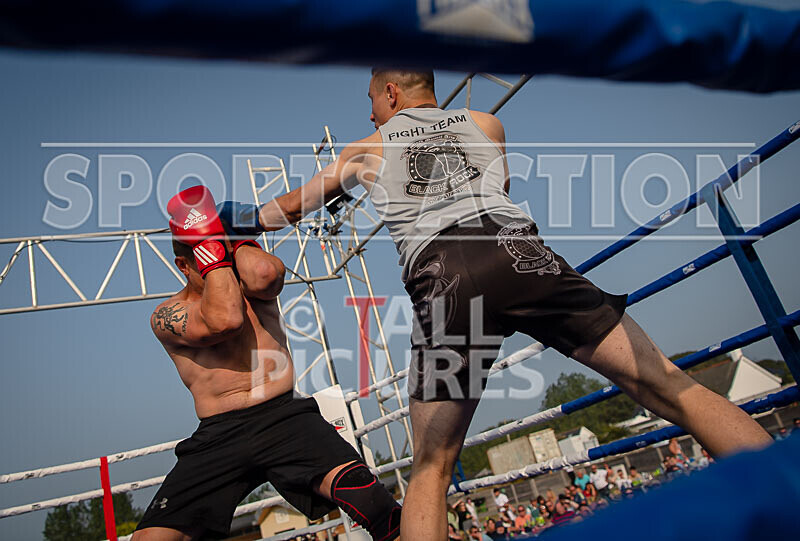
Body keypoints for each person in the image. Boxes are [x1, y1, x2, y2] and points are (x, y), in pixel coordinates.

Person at [217, 68, 773, 540]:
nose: (369, 114)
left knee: (431, 468)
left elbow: (289, 209)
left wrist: (227, 221)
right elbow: (497, 189)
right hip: (520, 253)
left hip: (444, 276)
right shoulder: (487, 124)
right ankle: (782, 495)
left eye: (371, 101)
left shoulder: (366, 149)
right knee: (671, 385)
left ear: (391, 93)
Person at [132, 186, 401, 540]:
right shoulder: (168, 314)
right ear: (183, 265)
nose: (221, 267)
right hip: (219, 434)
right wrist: (209, 244)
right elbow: (226, 319)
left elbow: (265, 274)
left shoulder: (252, 287)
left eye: (223, 251)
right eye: (206, 256)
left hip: (284, 416)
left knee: (374, 503)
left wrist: (229, 233)